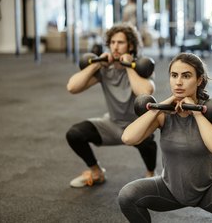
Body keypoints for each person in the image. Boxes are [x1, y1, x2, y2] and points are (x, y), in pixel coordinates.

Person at [118, 52, 212, 222]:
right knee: (127, 195)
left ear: (199, 80)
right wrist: (159, 108)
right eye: (174, 75)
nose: (178, 82)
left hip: (210, 189)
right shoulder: (163, 114)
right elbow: (128, 138)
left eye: (186, 76)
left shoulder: (210, 112)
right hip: (170, 189)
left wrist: (196, 113)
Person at [66, 23, 157, 188]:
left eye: (120, 42)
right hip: (112, 124)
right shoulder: (104, 69)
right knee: (74, 134)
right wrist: (97, 63)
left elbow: (145, 91)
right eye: (113, 42)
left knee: (148, 139)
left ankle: (151, 175)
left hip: (136, 126)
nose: (115, 46)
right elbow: (72, 87)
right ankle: (96, 172)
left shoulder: (140, 67)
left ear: (130, 45)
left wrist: (128, 66)